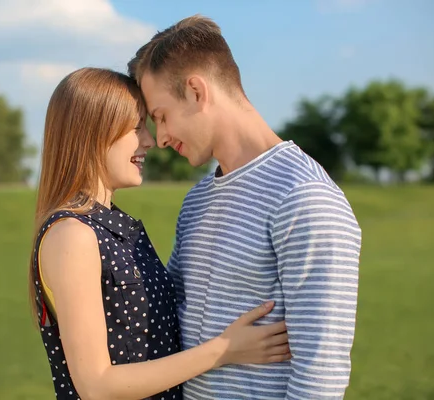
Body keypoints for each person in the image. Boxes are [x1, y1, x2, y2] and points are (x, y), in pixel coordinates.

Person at [128, 15, 362, 400]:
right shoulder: (197, 199)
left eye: (161, 117)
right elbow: (170, 313)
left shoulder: (303, 196)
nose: (163, 138)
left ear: (196, 91)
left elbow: (321, 375)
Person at [28, 67, 292, 400]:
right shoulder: (72, 235)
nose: (150, 140)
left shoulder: (116, 227)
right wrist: (224, 350)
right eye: (136, 127)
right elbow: (96, 385)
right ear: (92, 131)